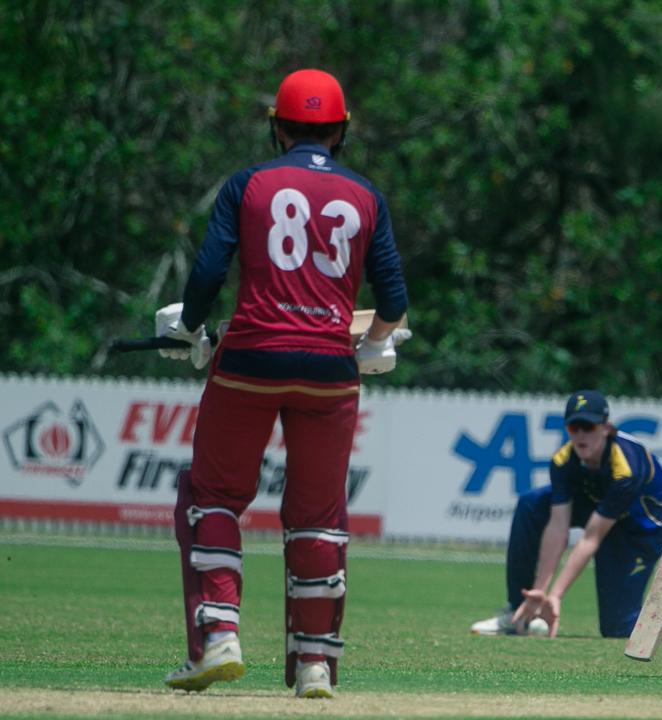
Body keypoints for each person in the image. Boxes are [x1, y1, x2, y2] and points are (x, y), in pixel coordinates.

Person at [157, 69, 408, 699]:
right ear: (342, 128)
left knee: (212, 495)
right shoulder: (365, 194)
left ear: (278, 125)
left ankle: (219, 637)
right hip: (329, 370)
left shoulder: (249, 183)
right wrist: (373, 341)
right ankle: (315, 667)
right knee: (318, 517)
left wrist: (190, 329)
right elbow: (395, 298)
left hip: (250, 362)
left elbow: (211, 270)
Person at [470, 390, 662, 642]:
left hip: (640, 528)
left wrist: (556, 595)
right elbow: (558, 526)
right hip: (601, 509)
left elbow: (591, 538)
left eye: (589, 427)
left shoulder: (625, 468)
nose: (581, 436)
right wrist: (540, 590)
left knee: (620, 627)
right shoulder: (563, 461)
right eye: (575, 428)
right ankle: (520, 611)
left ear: (606, 427)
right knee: (531, 504)